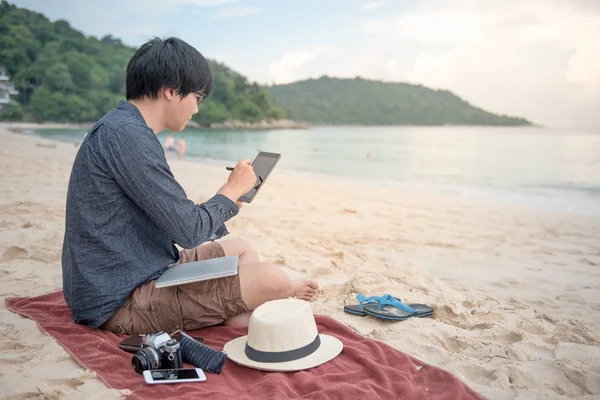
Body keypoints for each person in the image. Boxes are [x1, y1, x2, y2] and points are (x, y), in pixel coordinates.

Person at [61, 37, 318, 335]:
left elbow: (176, 219)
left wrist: (228, 198)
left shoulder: (125, 128)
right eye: (197, 98)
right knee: (274, 279)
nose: (196, 110)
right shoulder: (129, 137)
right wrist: (231, 189)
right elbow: (188, 231)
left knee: (244, 250)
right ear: (171, 90)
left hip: (143, 264)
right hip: (120, 300)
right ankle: (238, 310)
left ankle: (230, 313)